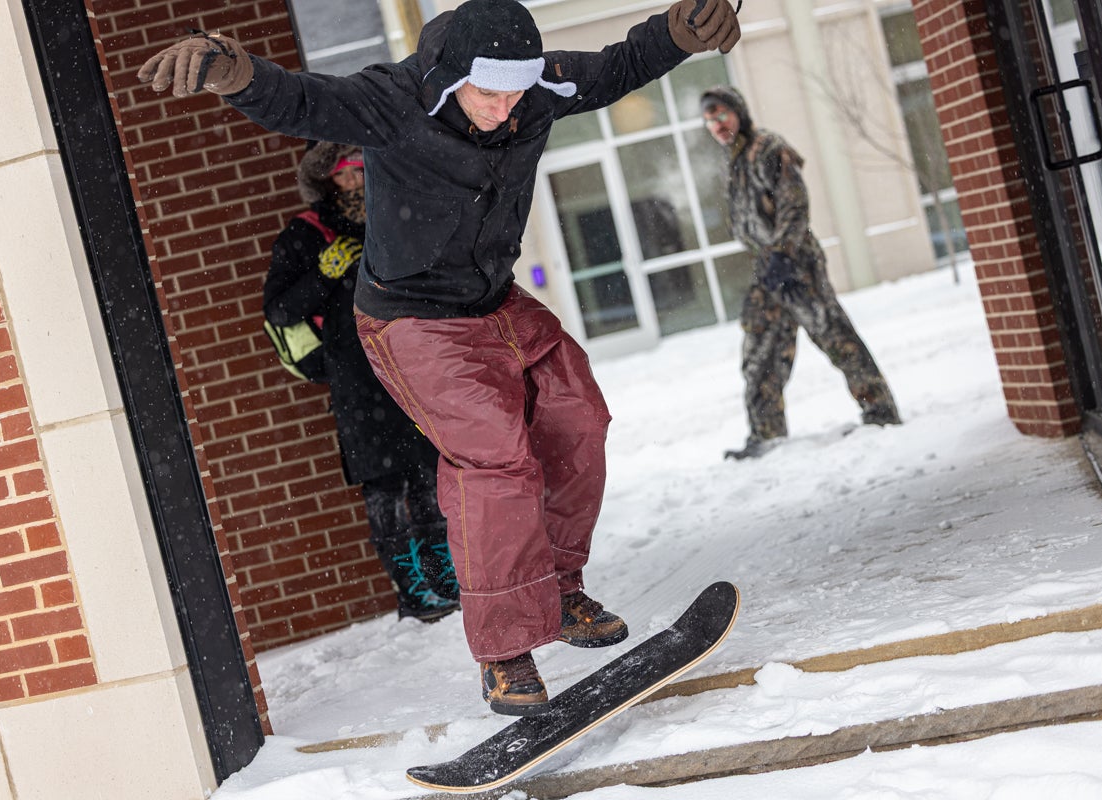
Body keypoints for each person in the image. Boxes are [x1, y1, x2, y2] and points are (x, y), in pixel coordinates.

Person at [138, 0, 741, 716]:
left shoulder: (536, 89)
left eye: (515, 92)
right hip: (414, 321)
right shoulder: (394, 100)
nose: (504, 107)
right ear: (453, 78)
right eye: (489, 93)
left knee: (578, 414)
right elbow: (304, 101)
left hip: (494, 303)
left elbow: (617, 67)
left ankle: (558, 589)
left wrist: (679, 29)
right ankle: (504, 653)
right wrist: (234, 70)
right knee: (495, 458)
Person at [263, 141, 459, 623]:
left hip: (411, 376)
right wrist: (325, 271)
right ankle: (413, 591)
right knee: (386, 491)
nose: (353, 183)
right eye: (343, 175)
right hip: (357, 388)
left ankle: (445, 578)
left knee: (430, 484)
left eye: (359, 171)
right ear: (327, 181)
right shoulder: (306, 236)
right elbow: (280, 310)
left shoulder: (397, 221)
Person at [699, 85, 902, 461]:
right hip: (767, 269)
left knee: (834, 336)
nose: (717, 124)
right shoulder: (738, 160)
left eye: (722, 114)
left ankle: (881, 411)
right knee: (759, 349)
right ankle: (766, 434)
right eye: (710, 119)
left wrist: (783, 254)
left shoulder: (768, 149)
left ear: (738, 112)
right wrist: (769, 260)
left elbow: (794, 204)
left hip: (796, 262)